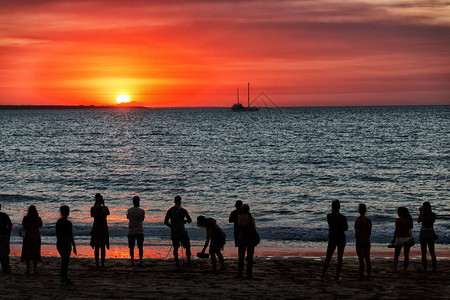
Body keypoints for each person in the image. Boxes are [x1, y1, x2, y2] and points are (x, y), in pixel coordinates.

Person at [318, 200, 348, 282]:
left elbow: (331, 225)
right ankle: (337, 277)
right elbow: (346, 228)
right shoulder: (343, 217)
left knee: (328, 257)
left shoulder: (329, 216)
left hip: (332, 237)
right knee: (340, 258)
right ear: (339, 207)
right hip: (341, 237)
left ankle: (322, 275)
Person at [164, 196, 192, 267]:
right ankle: (189, 262)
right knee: (187, 247)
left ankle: (177, 263)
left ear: (174, 201)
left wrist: (172, 227)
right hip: (182, 232)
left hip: (174, 232)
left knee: (175, 248)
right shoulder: (183, 210)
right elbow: (190, 220)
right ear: (180, 201)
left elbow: (166, 222)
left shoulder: (170, 210)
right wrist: (184, 221)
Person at [236, 204, 259, 279]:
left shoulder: (240, 217)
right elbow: (254, 228)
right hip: (250, 238)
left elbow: (240, 227)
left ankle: (240, 273)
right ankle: (249, 274)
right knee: (250, 256)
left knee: (241, 256)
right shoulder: (251, 218)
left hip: (242, 237)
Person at [55, 205, 77, 285]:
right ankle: (64, 278)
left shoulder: (58, 222)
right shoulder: (68, 223)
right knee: (65, 261)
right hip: (66, 243)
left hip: (60, 243)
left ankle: (64, 278)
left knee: (64, 261)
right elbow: (71, 235)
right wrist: (74, 246)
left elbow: (57, 234)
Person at [21, 205, 43, 274]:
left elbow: (23, 226)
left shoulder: (26, 218)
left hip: (28, 237)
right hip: (36, 237)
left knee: (28, 254)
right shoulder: (38, 218)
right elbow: (41, 225)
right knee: (35, 254)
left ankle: (28, 270)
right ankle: (35, 270)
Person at [90, 193, 110, 268]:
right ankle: (102, 264)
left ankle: (97, 264)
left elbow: (92, 215)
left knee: (96, 247)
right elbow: (108, 213)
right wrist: (103, 204)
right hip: (103, 228)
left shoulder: (93, 208)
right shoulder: (105, 208)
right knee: (102, 246)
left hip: (96, 228)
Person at [417, 202, 437, 273]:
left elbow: (418, 221)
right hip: (431, 232)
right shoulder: (433, 215)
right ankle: (434, 269)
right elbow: (432, 222)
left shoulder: (423, 215)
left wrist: (421, 212)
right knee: (432, 252)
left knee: (423, 252)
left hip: (424, 232)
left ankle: (425, 268)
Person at [393, 206, 413, 273]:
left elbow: (397, 230)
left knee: (396, 255)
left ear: (401, 213)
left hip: (399, 238)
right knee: (406, 255)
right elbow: (410, 228)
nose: (397, 213)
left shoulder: (398, 220)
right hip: (407, 238)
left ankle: (395, 269)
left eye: (398, 212)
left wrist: (394, 239)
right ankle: (405, 270)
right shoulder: (409, 220)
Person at [354, 203, 372, 281]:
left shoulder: (358, 220)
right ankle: (368, 276)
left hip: (360, 240)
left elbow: (357, 231)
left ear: (359, 210)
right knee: (367, 258)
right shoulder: (368, 220)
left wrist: (358, 235)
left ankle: (361, 276)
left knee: (361, 259)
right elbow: (370, 231)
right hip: (367, 240)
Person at [127, 196, 145, 267]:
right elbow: (142, 219)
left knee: (131, 248)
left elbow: (128, 217)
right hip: (139, 231)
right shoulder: (142, 211)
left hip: (131, 231)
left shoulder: (129, 210)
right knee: (140, 248)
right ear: (138, 202)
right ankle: (140, 262)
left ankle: (132, 262)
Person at [0, 204, 12, 274]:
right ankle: (6, 269)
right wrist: (8, 233)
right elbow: (10, 225)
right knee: (4, 253)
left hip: (3, 235)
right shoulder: (4, 215)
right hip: (4, 235)